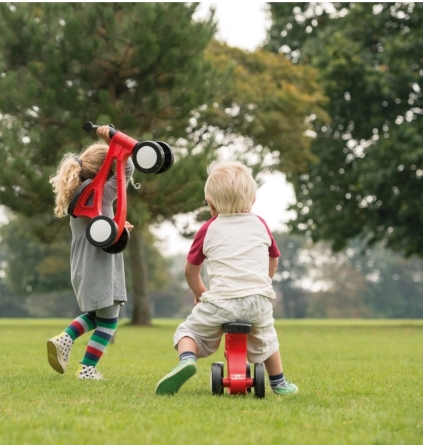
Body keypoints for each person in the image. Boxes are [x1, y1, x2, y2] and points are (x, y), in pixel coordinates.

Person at [155, 160, 298, 396]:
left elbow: (191, 271)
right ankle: (279, 382)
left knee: (187, 332)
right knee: (267, 338)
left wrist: (201, 295)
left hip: (221, 302)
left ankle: (187, 360)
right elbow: (273, 260)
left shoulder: (208, 229)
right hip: (257, 303)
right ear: (252, 200)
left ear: (210, 203)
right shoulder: (260, 224)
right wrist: (262, 285)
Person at [46, 125, 134, 380]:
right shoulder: (102, 195)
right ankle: (86, 367)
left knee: (98, 316)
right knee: (109, 321)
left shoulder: (80, 197)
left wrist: (118, 226)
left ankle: (66, 339)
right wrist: (115, 141)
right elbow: (127, 168)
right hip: (100, 266)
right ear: (106, 172)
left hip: (84, 266)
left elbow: (101, 226)